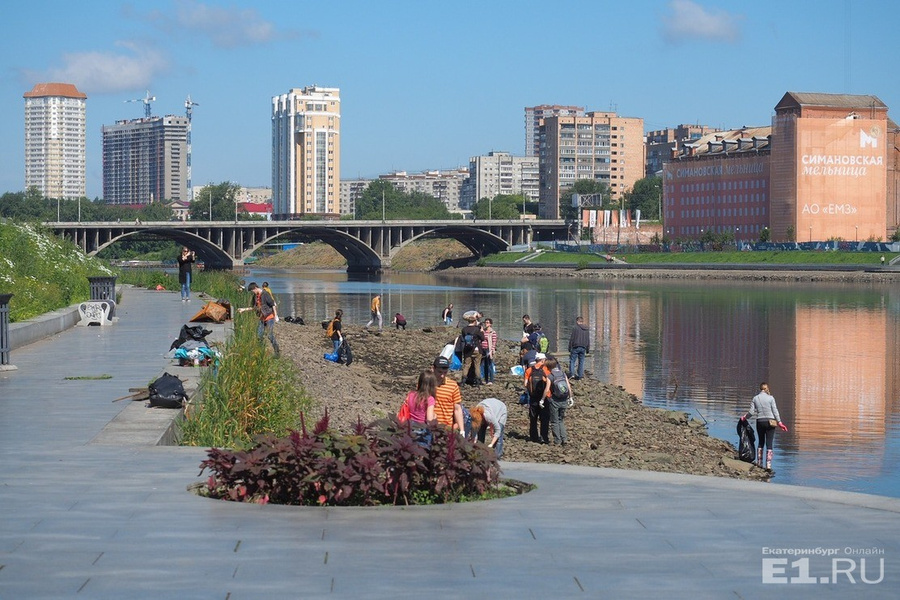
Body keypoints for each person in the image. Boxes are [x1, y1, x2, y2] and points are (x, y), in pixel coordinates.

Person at [741, 382, 788, 470]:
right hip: (771, 422)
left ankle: (759, 463)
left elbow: (751, 412)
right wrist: (780, 423)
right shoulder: (771, 398)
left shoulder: (755, 398)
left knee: (761, 442)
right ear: (767, 389)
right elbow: (775, 411)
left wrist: (744, 417)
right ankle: (769, 465)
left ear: (760, 389)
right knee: (769, 443)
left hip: (760, 421)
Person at [238, 282, 280, 356]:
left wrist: (276, 316)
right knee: (259, 335)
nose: (252, 293)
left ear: (255, 288)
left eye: (252, 291)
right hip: (262, 318)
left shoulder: (265, 294)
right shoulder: (256, 296)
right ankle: (261, 352)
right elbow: (255, 308)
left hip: (269, 317)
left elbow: (272, 304)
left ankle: (277, 352)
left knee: (270, 335)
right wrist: (244, 309)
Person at [432, 355, 466, 435]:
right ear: (433, 369)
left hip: (446, 428)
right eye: (439, 372)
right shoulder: (426, 383)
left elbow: (457, 408)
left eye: (445, 372)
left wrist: (462, 430)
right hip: (428, 426)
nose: (442, 375)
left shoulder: (453, 385)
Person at [545, 356, 572, 446]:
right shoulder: (563, 374)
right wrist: (570, 397)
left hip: (555, 400)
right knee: (561, 420)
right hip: (564, 399)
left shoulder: (550, 376)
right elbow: (568, 386)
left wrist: (542, 399)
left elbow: (547, 389)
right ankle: (564, 438)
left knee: (554, 421)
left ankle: (557, 440)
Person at [524, 353, 550, 444]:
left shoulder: (529, 370)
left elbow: (525, 384)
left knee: (533, 418)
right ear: (542, 360)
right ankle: (544, 438)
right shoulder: (546, 370)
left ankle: (534, 437)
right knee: (544, 419)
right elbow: (549, 383)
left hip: (533, 397)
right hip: (545, 397)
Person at [458, 313, 486, 386]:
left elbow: (463, 338)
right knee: (477, 365)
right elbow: (482, 338)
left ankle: (463, 380)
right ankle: (478, 381)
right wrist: (482, 331)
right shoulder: (477, 329)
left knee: (466, 365)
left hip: (467, 349)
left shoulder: (464, 329)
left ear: (468, 321)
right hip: (476, 349)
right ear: (474, 321)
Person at [568, 316, 590, 380]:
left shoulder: (575, 328)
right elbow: (588, 339)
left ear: (577, 321)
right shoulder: (586, 329)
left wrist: (569, 347)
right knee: (581, 361)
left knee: (572, 360)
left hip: (576, 346)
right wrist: (588, 348)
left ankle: (572, 374)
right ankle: (580, 375)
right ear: (582, 321)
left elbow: (572, 338)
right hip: (583, 347)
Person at [480, 318, 498, 385]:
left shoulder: (493, 332)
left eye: (487, 322)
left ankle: (491, 380)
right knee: (484, 365)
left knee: (490, 364)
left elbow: (494, 342)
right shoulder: (483, 331)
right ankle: (486, 379)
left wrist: (492, 350)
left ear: (490, 324)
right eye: (485, 322)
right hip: (483, 349)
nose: (486, 323)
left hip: (489, 349)